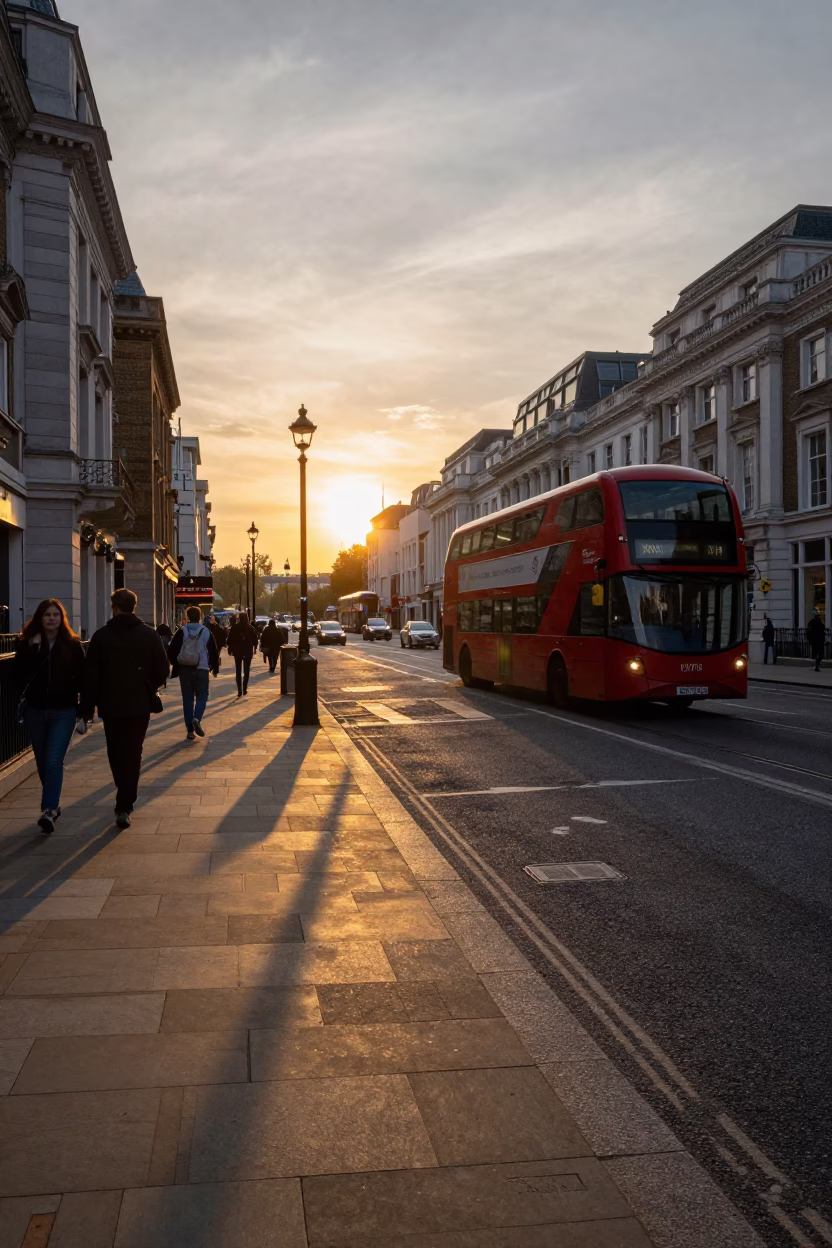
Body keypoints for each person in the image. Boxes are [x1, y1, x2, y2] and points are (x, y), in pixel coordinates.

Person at [81, 588, 170, 828]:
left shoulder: (101, 637)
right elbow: (163, 669)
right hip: (139, 703)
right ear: (134, 606)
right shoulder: (149, 635)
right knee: (134, 751)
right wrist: (148, 684)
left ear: (115, 607)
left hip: (111, 704)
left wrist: (87, 708)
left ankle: (123, 790)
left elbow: (91, 675)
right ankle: (125, 802)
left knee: (115, 751)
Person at [14, 598, 85, 835]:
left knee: (54, 759)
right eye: (47, 615)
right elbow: (18, 675)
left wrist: (84, 709)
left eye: (56, 615)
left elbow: (82, 677)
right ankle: (53, 803)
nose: (52, 619)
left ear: (61, 618)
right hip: (35, 710)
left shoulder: (72, 644)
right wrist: (33, 649)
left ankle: (48, 809)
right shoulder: (26, 644)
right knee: (43, 761)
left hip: (63, 710)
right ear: (39, 618)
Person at [168, 607, 220, 740]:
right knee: (202, 696)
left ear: (188, 616)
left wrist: (176, 664)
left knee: (187, 699)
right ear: (201, 616)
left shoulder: (182, 631)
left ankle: (190, 731)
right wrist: (213, 668)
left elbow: (172, 650)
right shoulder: (206, 631)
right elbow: (214, 651)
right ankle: (197, 718)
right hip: (201, 668)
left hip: (185, 669)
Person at [227, 610, 258, 696]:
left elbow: (229, 640)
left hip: (238, 651)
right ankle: (245, 688)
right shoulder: (251, 628)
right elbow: (255, 640)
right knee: (246, 670)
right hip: (248, 651)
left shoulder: (234, 627)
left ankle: (239, 690)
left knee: (238, 670)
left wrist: (231, 646)